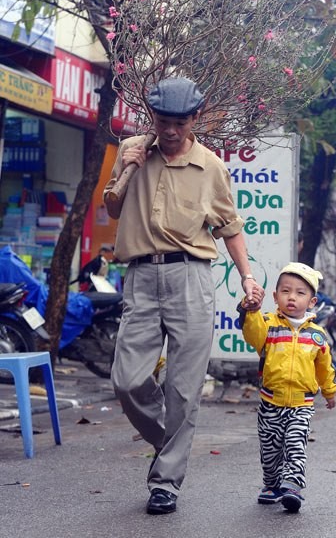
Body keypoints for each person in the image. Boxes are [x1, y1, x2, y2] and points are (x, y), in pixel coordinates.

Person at [103, 77, 264, 515]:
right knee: (128, 379)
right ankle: (168, 440)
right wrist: (128, 164)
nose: (169, 131)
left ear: (194, 119)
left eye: (178, 123)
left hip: (192, 278)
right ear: (150, 118)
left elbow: (229, 227)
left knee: (183, 388)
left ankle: (166, 483)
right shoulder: (133, 149)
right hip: (140, 276)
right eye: (161, 122)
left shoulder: (211, 167)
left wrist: (247, 277)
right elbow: (112, 209)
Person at [237, 261, 336, 513]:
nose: (292, 297)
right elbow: (252, 335)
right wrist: (250, 312)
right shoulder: (269, 326)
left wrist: (329, 391)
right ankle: (271, 484)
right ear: (275, 296)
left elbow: (324, 368)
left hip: (301, 404)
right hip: (270, 402)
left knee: (295, 443)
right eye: (286, 291)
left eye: (300, 293)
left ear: (312, 302)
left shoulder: (316, 335)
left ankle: (292, 485)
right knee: (270, 448)